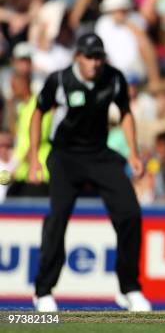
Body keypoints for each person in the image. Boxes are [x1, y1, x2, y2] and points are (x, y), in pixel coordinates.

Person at [28, 32, 151, 312]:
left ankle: (129, 287)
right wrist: (35, 158)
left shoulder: (114, 77)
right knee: (58, 218)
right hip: (65, 156)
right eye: (90, 57)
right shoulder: (59, 80)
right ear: (77, 57)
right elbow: (38, 113)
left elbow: (125, 112)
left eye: (99, 57)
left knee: (130, 213)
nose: (95, 63)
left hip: (98, 154)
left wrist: (133, 153)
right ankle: (43, 291)